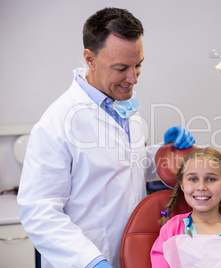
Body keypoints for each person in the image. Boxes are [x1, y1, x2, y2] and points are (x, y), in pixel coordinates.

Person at [17, 7, 195, 268]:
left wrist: (161, 153)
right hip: (86, 257)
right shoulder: (57, 123)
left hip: (131, 251)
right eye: (121, 68)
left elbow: (125, 166)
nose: (133, 79)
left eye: (138, 65)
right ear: (90, 59)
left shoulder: (124, 107)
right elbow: (39, 212)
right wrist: (90, 262)